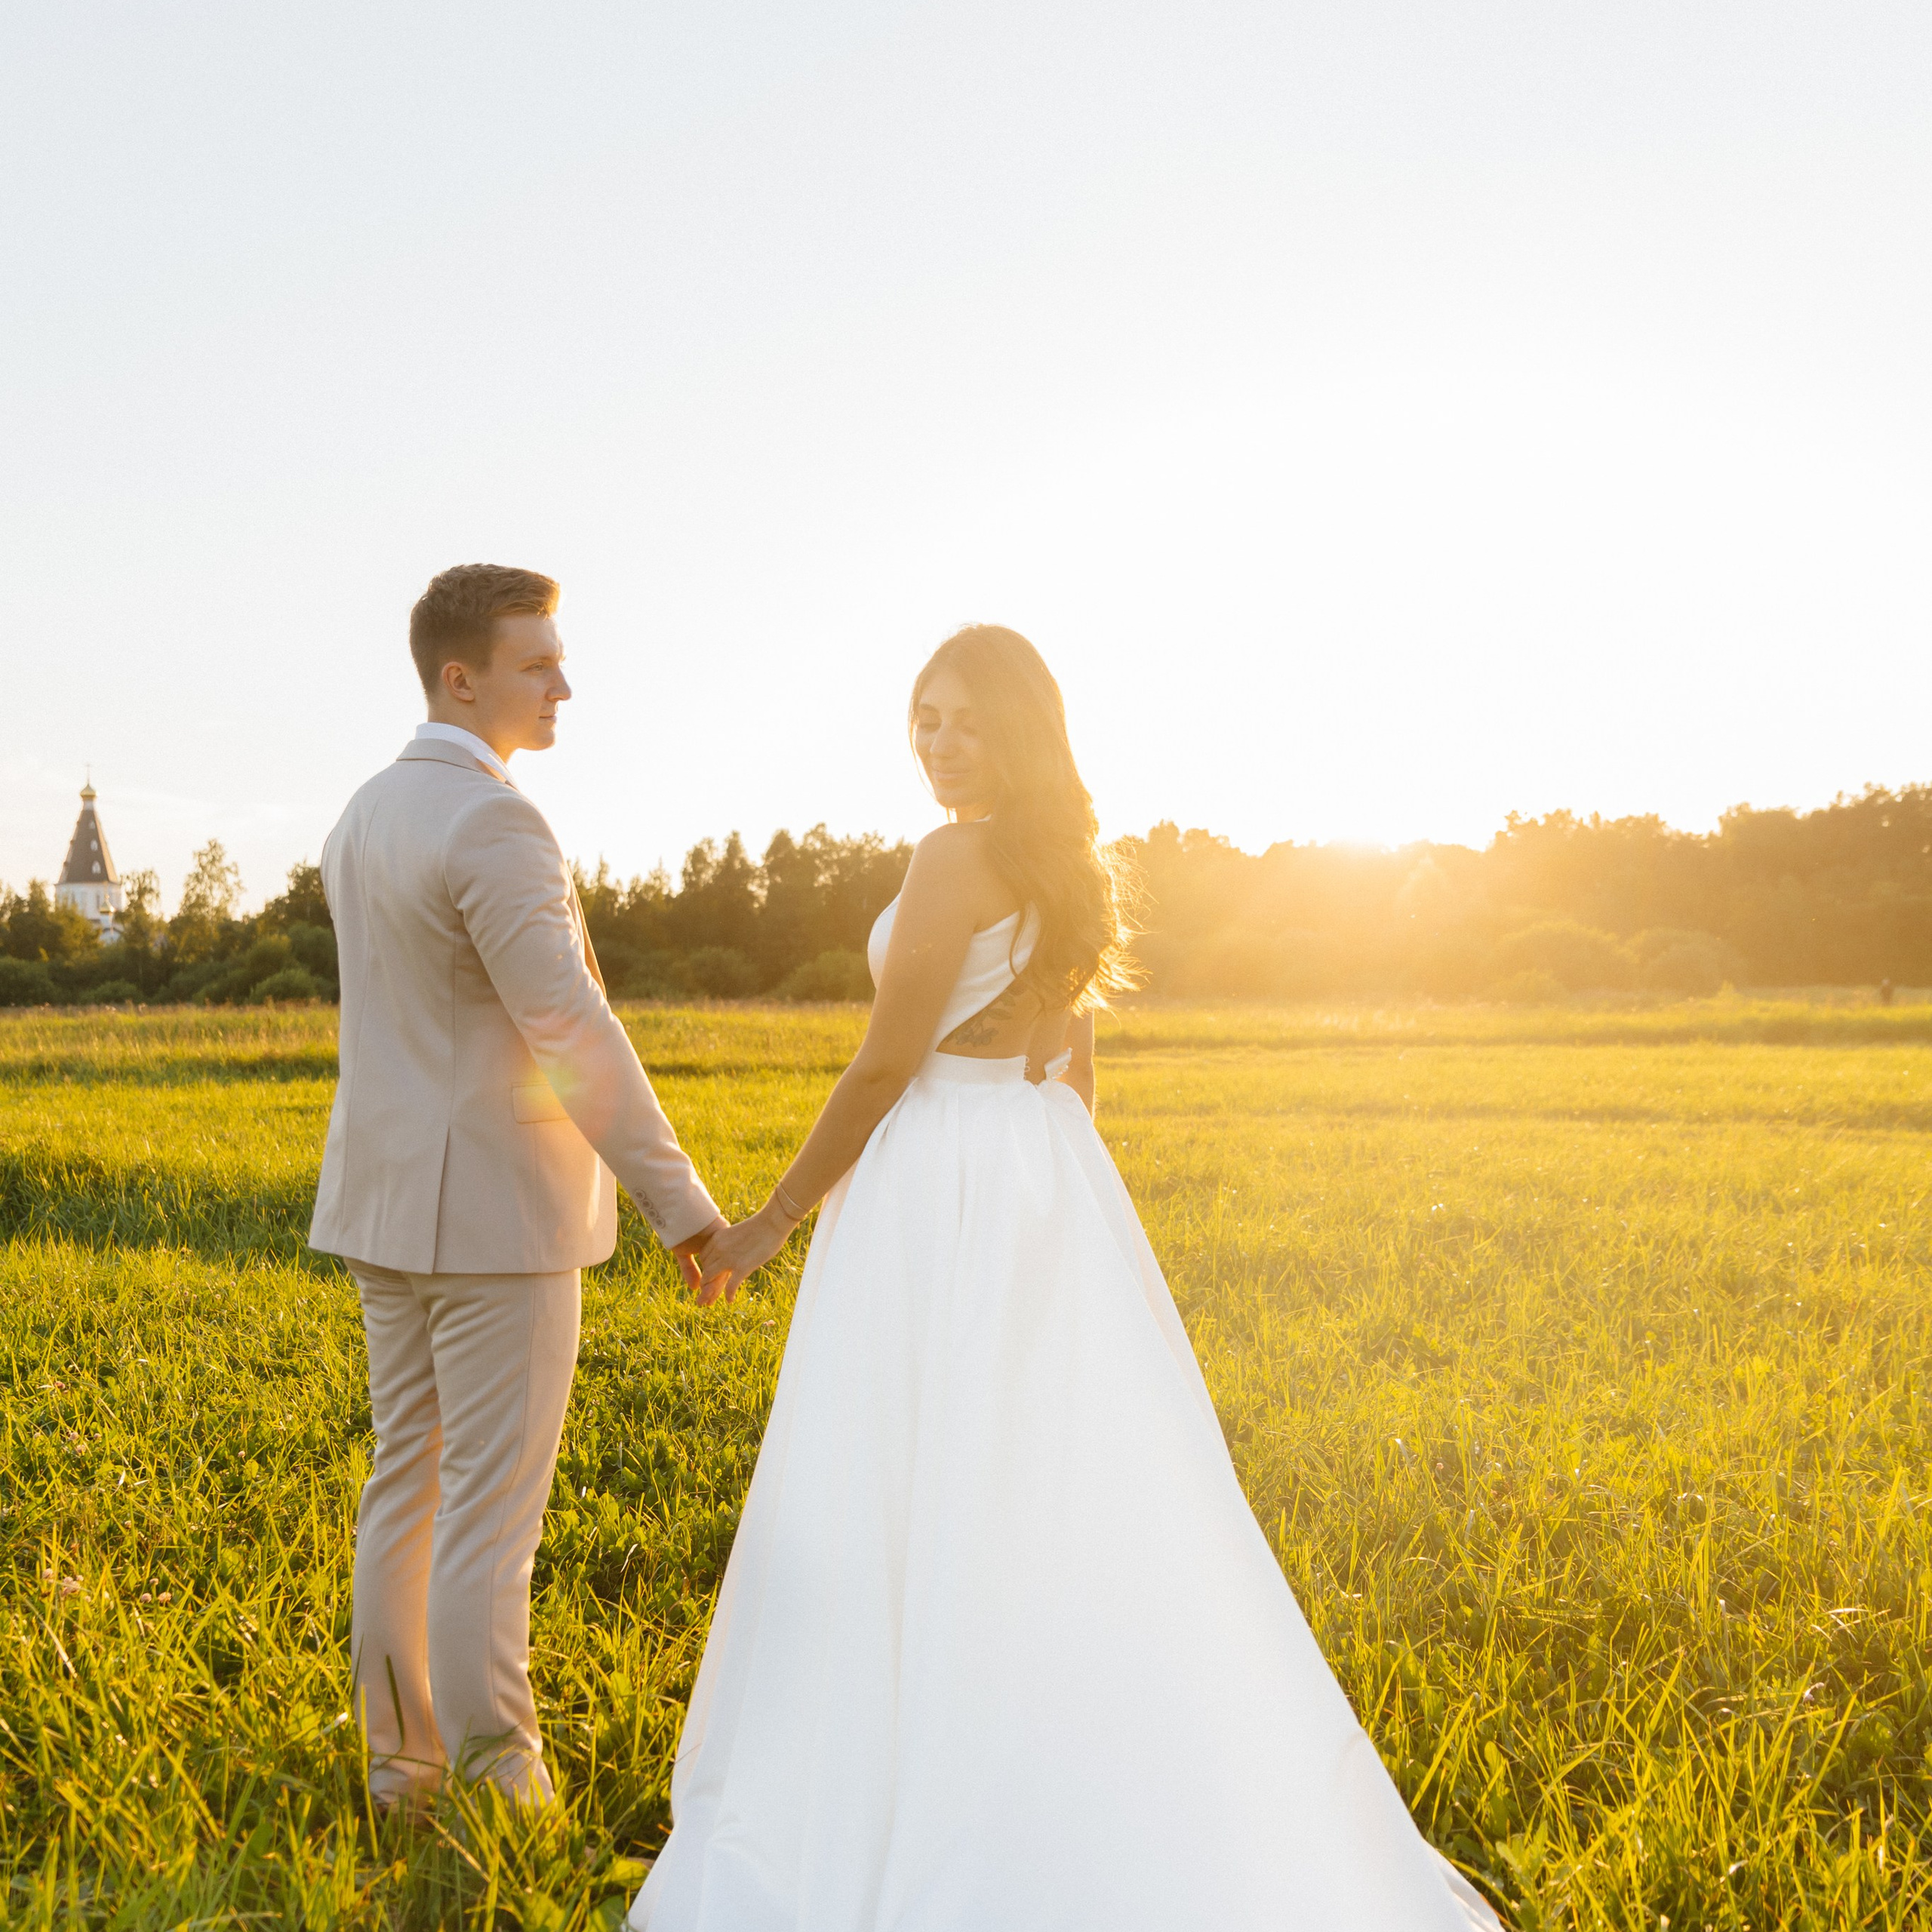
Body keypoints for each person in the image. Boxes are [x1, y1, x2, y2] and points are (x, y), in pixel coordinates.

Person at [641, 625, 1499, 1928]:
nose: (935, 745)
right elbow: (1077, 1065)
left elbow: (884, 1066)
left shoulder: (951, 858)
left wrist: (769, 1222)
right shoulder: (1068, 863)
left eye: (965, 722)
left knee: (917, 1469)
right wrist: (1061, 1198)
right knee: (1039, 1468)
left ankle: (923, 1773)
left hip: (941, 1171)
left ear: (1023, 731)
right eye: (922, 720)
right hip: (1043, 1167)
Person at [309, 564, 726, 1809]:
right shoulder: (492, 820)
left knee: (408, 1483)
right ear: (461, 676)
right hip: (494, 1216)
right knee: (490, 1513)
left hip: (386, 1201)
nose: (563, 684)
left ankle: (400, 1772)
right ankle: (502, 1790)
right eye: (537, 663)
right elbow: (570, 1027)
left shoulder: (364, 811)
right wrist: (683, 1204)